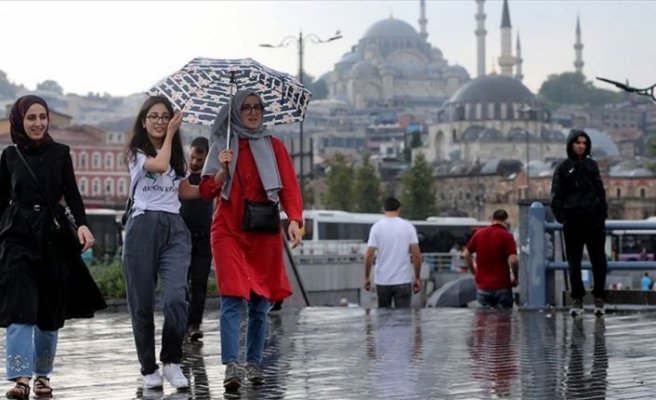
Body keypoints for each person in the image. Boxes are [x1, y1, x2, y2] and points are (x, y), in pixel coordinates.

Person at [0, 95, 105, 399]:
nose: (38, 123)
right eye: (31, 117)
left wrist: (83, 224)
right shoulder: (9, 156)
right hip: (17, 238)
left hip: (53, 239)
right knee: (20, 311)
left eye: (42, 117)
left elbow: (72, 193)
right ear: (19, 120)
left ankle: (42, 376)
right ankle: (20, 379)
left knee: (47, 313)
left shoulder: (61, 153)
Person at [198, 90, 303, 392]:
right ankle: (232, 365)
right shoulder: (222, 143)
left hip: (263, 231)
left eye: (258, 107)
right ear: (235, 111)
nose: (254, 112)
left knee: (260, 302)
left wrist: (295, 219)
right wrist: (221, 170)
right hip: (228, 230)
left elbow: (290, 189)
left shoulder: (274, 146)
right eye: (247, 108)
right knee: (232, 296)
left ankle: (254, 363)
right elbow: (206, 191)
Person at [122, 96, 200, 390]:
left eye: (165, 116)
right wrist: (170, 134)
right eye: (153, 116)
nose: (159, 121)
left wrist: (218, 178)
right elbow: (159, 163)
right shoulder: (136, 152)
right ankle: (148, 367)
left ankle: (172, 361)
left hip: (175, 228)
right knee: (141, 304)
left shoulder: (176, 154)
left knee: (176, 298)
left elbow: (185, 190)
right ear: (143, 121)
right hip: (143, 225)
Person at [550, 129, 608, 317]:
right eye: (578, 143)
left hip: (594, 221)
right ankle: (577, 299)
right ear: (570, 144)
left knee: (599, 260)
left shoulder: (592, 166)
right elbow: (556, 195)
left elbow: (600, 190)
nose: (581, 146)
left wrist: (601, 215)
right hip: (573, 221)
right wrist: (563, 218)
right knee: (574, 263)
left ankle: (599, 296)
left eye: (584, 143)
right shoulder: (562, 168)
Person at [180, 136, 213, 342]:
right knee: (181, 283)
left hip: (203, 238)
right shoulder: (181, 176)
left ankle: (194, 324)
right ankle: (182, 322)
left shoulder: (210, 179)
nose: (194, 163)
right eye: (192, 157)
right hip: (181, 238)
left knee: (199, 283)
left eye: (199, 160)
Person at [363, 197, 422, 308]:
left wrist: (366, 277)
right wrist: (417, 278)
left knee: (384, 319)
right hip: (403, 280)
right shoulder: (408, 227)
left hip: (383, 281)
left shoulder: (376, 227)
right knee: (403, 320)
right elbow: (417, 255)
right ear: (399, 209)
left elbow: (369, 255)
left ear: (383, 209)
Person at [463, 209, 518, 309]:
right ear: (506, 221)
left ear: (492, 220)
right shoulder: (507, 236)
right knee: (503, 320)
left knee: (483, 321)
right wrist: (516, 277)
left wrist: (474, 272)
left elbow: (466, 254)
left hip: (483, 286)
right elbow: (513, 260)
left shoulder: (479, 233)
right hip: (502, 285)